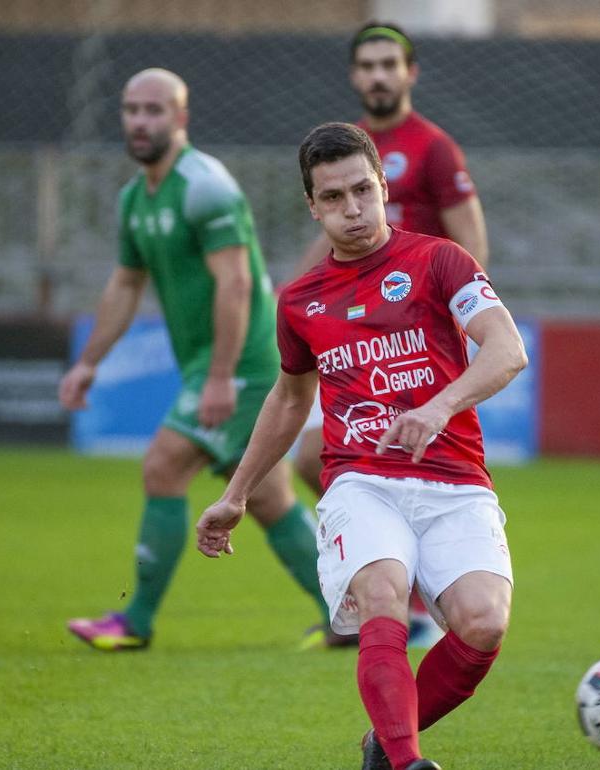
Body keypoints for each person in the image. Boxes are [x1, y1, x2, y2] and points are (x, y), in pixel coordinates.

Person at [195, 122, 526, 770]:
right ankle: (406, 763)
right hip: (361, 481)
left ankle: (384, 743)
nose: (353, 209)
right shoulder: (300, 301)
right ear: (313, 208)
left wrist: (438, 407)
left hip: (455, 479)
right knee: (383, 594)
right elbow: (290, 399)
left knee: (483, 625)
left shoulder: (440, 260)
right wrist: (236, 494)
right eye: (335, 198)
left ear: (382, 188)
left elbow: (506, 349)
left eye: (363, 191)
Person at [59, 68, 340, 652]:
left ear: (180, 118)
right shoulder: (135, 199)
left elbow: (237, 284)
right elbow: (125, 285)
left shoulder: (205, 185)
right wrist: (89, 362)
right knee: (267, 499)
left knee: (163, 465)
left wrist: (220, 378)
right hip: (214, 366)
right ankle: (348, 617)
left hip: (246, 363)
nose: (141, 121)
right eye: (132, 109)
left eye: (154, 110)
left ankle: (134, 621)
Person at [290, 20, 489, 648]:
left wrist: (457, 325)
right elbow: (327, 239)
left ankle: (408, 603)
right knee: (309, 459)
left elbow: (471, 240)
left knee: (401, 471)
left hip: (416, 337)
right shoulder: (341, 149)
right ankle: (383, 593)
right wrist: (290, 296)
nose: (378, 75)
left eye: (388, 64)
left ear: (409, 73)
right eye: (367, 65)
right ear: (354, 76)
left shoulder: (433, 147)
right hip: (354, 329)